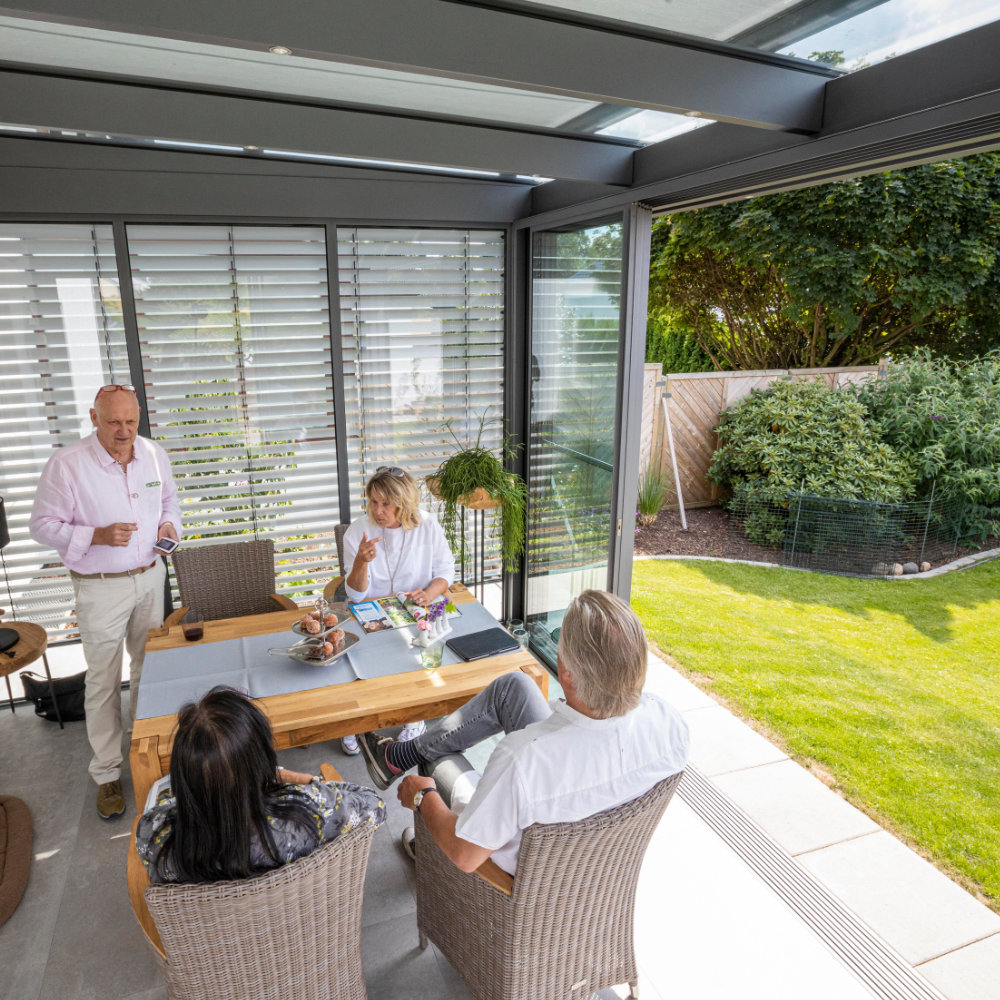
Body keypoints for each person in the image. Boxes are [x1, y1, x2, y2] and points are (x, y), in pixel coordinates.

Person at [358, 589, 689, 875]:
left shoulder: (525, 759)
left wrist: (422, 797)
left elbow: (465, 854)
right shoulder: (670, 724)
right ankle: (396, 757)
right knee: (514, 687)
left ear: (567, 675)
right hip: (596, 866)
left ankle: (428, 851)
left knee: (435, 758)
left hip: (521, 879)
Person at [30, 384, 181, 821]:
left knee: (150, 670)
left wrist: (169, 527)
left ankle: (149, 759)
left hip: (151, 577)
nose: (123, 430)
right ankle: (107, 773)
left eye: (131, 421)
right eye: (113, 421)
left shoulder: (152, 454)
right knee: (102, 681)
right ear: (94, 418)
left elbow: (168, 500)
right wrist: (93, 534)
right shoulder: (67, 465)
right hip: (99, 586)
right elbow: (41, 525)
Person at [136, 686, 386, 883]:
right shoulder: (306, 814)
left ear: (183, 774)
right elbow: (375, 806)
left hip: (212, 944)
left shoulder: (154, 833)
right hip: (303, 932)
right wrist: (303, 779)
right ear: (262, 761)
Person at [339, 466, 455, 755]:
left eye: (386, 503)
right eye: (374, 502)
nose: (378, 510)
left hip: (414, 609)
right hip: (368, 611)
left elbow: (445, 571)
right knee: (359, 662)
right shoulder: (358, 531)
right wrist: (361, 563)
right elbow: (355, 594)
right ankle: (359, 721)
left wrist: (428, 593)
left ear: (403, 502)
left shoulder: (427, 526)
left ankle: (415, 717)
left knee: (419, 651)